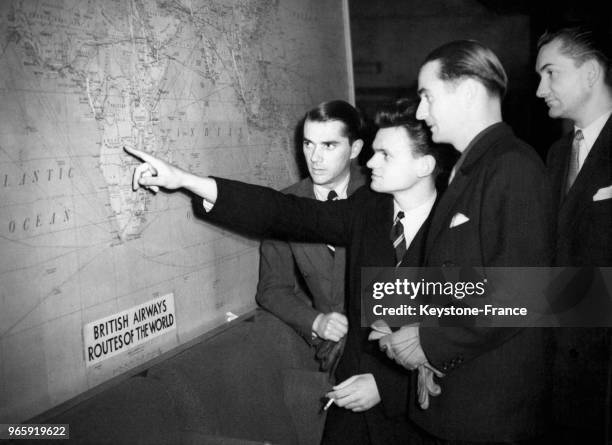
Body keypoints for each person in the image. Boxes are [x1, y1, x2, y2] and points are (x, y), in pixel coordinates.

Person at [125, 98, 457, 445]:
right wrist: (185, 180)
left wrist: (386, 385)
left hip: (422, 412)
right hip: (351, 393)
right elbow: (283, 212)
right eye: (373, 152)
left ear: (424, 165)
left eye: (385, 154)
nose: (371, 162)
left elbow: (481, 328)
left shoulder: (461, 226)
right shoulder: (367, 208)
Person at [389, 40, 553, 443]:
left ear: (466, 91)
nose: (420, 111)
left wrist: (428, 340)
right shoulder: (470, 169)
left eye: (427, 96)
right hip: (464, 401)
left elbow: (521, 295)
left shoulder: (512, 166)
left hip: (490, 411)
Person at [535, 23, 612, 443]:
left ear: (590, 73)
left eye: (551, 73)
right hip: (564, 374)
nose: (540, 88)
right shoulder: (557, 152)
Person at [256, 100, 366, 376]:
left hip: (384, 346)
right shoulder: (284, 205)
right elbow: (271, 289)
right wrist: (317, 322)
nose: (314, 157)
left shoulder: (381, 196)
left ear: (355, 149)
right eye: (308, 144)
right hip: (333, 355)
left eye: (328, 145)